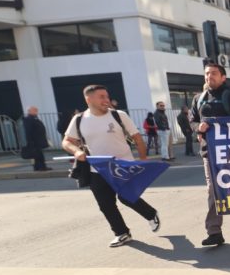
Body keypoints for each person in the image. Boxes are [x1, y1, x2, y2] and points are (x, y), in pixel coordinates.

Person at [61, 84, 160, 248]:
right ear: (88, 99)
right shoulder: (79, 119)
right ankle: (122, 233)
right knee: (105, 204)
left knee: (126, 197)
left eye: (107, 96)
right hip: (97, 169)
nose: (106, 100)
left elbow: (137, 138)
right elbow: (66, 141)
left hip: (122, 166)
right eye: (102, 97)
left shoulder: (118, 115)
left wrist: (142, 160)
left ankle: (151, 214)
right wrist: (76, 151)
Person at [189, 62, 230, 246]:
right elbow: (192, 120)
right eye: (207, 73)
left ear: (223, 77)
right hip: (209, 153)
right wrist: (198, 127)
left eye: (214, 73)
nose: (209, 76)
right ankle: (214, 231)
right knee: (213, 190)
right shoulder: (198, 98)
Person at [22, 106, 50, 171]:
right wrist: (30, 141)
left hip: (38, 139)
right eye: (34, 110)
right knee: (38, 154)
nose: (36, 112)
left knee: (38, 154)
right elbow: (29, 131)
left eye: (36, 110)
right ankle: (41, 167)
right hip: (34, 140)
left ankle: (38, 167)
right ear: (29, 111)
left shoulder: (34, 118)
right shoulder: (29, 119)